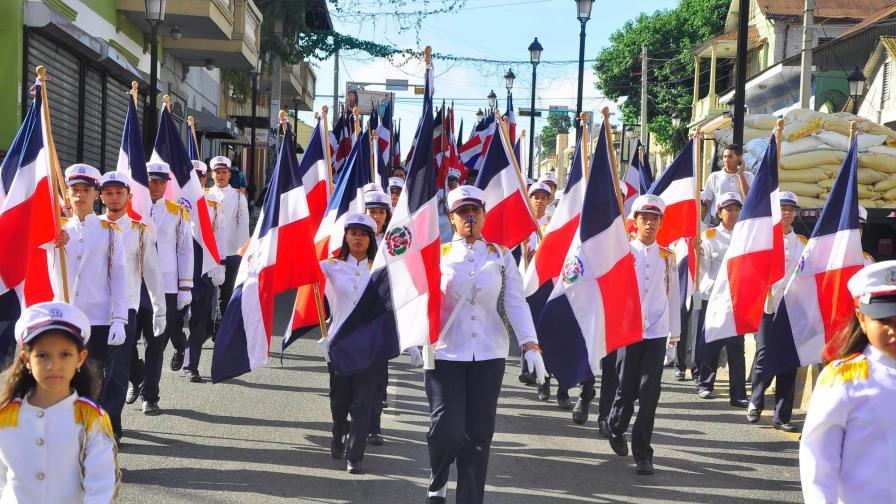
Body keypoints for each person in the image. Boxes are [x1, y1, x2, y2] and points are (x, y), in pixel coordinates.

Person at [426, 185, 547, 504]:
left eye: (475, 211)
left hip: (489, 353)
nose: (469, 217)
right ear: (451, 217)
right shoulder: (438, 254)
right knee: (447, 429)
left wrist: (530, 344)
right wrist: (415, 337)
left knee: (478, 434)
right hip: (445, 352)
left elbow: (515, 301)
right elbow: (420, 300)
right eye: (462, 212)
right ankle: (438, 477)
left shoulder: (501, 255)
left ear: (484, 215)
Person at [0, 302, 118, 502]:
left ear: (80, 358)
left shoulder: (90, 419)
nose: (54, 365)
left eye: (65, 355)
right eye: (42, 355)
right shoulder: (7, 417)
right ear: (26, 359)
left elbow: (101, 483)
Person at [799, 261, 896, 503]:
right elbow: (818, 458)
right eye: (884, 320)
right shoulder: (845, 379)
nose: (894, 331)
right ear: (861, 318)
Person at [606, 194, 680, 476]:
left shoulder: (667, 257)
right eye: (644, 219)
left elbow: (673, 295)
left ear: (661, 223)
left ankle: (643, 453)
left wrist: (675, 336)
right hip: (629, 329)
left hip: (657, 331)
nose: (649, 224)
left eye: (654, 219)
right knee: (626, 387)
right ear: (635, 222)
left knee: (650, 391)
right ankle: (616, 425)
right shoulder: (624, 252)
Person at [98, 171, 167, 441]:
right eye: (109, 193)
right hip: (93, 310)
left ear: (129, 195)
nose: (114, 198)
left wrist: (159, 308)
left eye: (119, 193)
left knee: (116, 373)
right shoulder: (92, 227)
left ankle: (112, 426)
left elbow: (152, 271)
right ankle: (93, 425)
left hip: (125, 309)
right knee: (92, 373)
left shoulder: (140, 231)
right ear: (101, 196)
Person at [320, 213, 380, 475]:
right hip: (340, 344)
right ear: (345, 236)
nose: (358, 238)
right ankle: (338, 431)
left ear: (371, 239)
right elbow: (304, 271)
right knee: (339, 401)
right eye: (353, 233)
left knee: (363, 403)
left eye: (364, 234)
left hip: (369, 346)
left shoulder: (380, 269)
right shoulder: (331, 265)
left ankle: (355, 455)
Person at [747, 192, 806, 432]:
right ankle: (756, 402)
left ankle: (782, 415)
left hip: (792, 308)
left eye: (790, 209)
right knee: (764, 354)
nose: (786, 213)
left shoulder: (803, 243)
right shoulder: (764, 240)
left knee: (789, 360)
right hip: (767, 306)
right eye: (782, 209)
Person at [139, 161, 193, 415]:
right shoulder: (133, 208)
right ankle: (136, 376)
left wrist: (185, 287)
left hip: (166, 285)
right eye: (153, 181)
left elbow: (185, 250)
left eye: (162, 182)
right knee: (126, 342)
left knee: (156, 342)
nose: (157, 186)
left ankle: (150, 395)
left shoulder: (177, 211)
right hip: (135, 283)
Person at [694, 192, 749, 407]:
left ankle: (739, 394)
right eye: (729, 209)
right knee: (711, 343)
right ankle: (705, 384)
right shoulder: (709, 236)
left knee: (737, 347)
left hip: (737, 297)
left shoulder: (746, 235)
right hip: (714, 296)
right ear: (719, 212)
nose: (733, 213)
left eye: (737, 209)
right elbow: (704, 269)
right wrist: (698, 253)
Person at [182, 161, 226, 383]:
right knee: (174, 321)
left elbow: (219, 235)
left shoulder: (213, 203)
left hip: (203, 269)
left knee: (198, 321)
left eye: (200, 177)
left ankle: (191, 365)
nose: (197, 180)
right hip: (179, 271)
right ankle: (180, 347)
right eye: (193, 176)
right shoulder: (175, 201)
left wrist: (219, 265)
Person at [208, 155, 250, 368]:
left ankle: (220, 332)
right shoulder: (205, 195)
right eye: (217, 172)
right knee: (206, 295)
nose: (221, 175)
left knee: (225, 295)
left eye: (224, 172)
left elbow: (243, 224)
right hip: (210, 253)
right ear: (212, 174)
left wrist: (243, 252)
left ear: (229, 174)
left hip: (231, 251)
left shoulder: (238, 196)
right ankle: (208, 328)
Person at [363, 190, 391, 446]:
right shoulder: (354, 238)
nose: (377, 216)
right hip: (356, 317)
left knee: (378, 376)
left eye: (381, 212)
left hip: (382, 317)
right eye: (372, 211)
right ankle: (353, 420)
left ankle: (374, 426)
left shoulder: (393, 241)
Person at [700, 144, 753, 221]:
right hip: (718, 220)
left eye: (730, 157)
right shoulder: (714, 176)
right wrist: (700, 221)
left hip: (740, 220)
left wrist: (741, 175)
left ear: (739, 158)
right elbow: (707, 202)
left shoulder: (749, 176)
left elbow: (749, 198)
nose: (726, 160)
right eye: (724, 157)